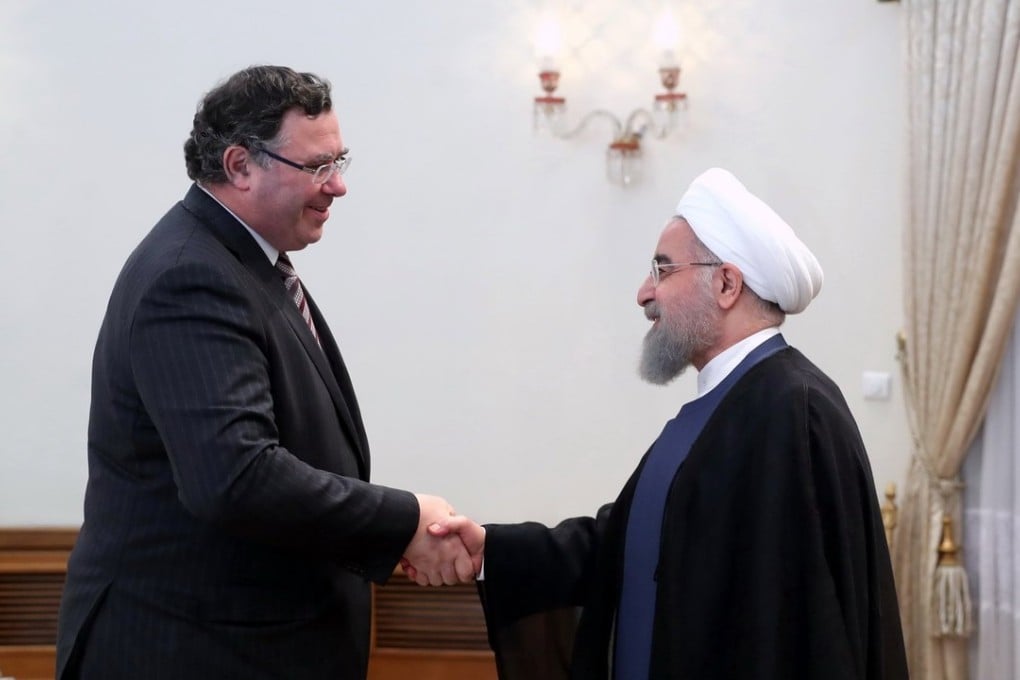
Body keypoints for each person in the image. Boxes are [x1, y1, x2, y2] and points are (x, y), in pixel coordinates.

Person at [55, 65, 479, 680]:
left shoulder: (241, 262)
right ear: (239, 165)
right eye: (316, 167)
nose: (337, 187)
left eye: (341, 161)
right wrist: (406, 520)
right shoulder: (190, 275)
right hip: (191, 651)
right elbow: (236, 476)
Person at [430, 168, 909, 679]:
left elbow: (802, 626)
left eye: (662, 270)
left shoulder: (796, 410)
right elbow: (623, 541)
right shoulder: (711, 410)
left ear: (726, 283)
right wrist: (491, 550)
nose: (643, 293)